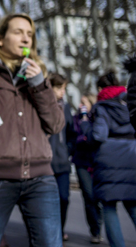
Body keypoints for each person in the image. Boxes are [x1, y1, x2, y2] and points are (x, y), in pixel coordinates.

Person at [0, 13, 65, 247]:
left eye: (30, 34)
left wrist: (39, 85)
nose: (26, 39)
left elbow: (55, 124)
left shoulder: (37, 75)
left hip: (40, 179)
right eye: (18, 32)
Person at [84, 70, 136, 247]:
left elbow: (99, 135)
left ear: (101, 88)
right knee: (133, 204)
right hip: (131, 157)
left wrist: (86, 127)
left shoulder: (102, 106)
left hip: (109, 161)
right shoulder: (129, 101)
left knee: (109, 206)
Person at [68, 93, 103, 244]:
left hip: (96, 163)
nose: (82, 106)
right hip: (81, 162)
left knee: (98, 198)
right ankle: (95, 230)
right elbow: (76, 138)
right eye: (80, 103)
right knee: (89, 196)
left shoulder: (98, 118)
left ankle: (99, 225)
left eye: (85, 103)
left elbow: (97, 138)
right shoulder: (76, 119)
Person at [48, 73, 73, 242]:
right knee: (48, 200)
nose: (62, 92)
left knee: (64, 198)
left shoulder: (66, 107)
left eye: (64, 88)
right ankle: (49, 232)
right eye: (59, 88)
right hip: (46, 162)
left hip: (63, 161)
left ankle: (60, 228)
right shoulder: (43, 106)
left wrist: (67, 150)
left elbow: (71, 132)